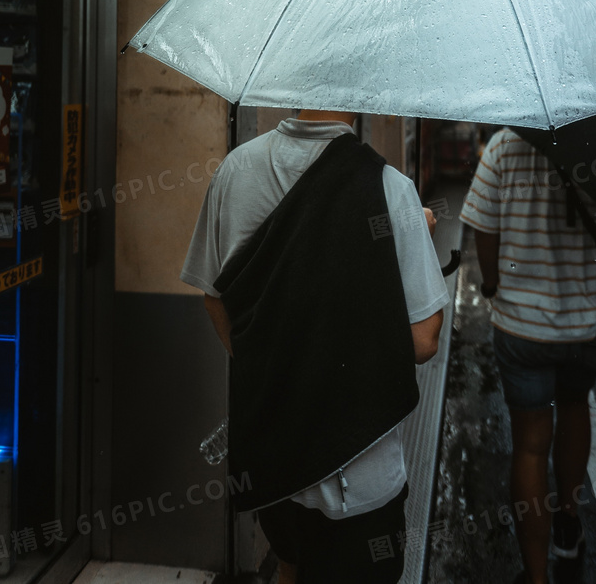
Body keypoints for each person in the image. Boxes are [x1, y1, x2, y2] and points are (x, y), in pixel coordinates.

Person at [181, 109, 450, 584]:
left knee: (290, 566)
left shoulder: (235, 169)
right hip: (358, 475)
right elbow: (424, 339)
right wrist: (416, 238)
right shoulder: (390, 188)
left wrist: (274, 368)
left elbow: (213, 299)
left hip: (273, 459)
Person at [460, 127, 596, 584]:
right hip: (586, 326)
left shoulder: (504, 144)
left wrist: (491, 286)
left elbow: (483, 225)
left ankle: (537, 575)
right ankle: (567, 519)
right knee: (574, 405)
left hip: (522, 325)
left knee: (528, 444)